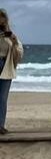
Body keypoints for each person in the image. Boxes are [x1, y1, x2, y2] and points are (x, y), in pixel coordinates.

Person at [0, 8, 24, 136]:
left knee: (2, 98)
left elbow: (19, 51)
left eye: (3, 19)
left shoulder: (10, 34)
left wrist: (13, 40)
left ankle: (1, 126)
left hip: (5, 65)